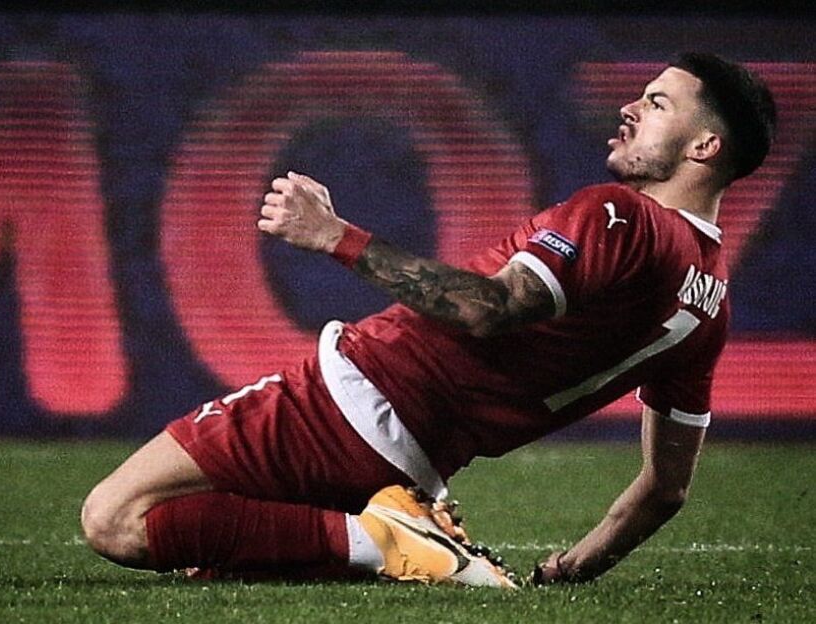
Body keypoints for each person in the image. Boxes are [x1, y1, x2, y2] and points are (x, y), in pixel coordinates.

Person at [80, 52, 776, 588]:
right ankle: (384, 534)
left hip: (350, 401)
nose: (629, 108)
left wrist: (334, 236)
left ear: (704, 147)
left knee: (116, 518)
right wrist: (569, 571)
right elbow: (665, 488)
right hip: (414, 465)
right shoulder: (709, 304)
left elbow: (490, 308)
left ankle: (385, 541)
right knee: (203, 543)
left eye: (656, 103)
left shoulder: (618, 215)